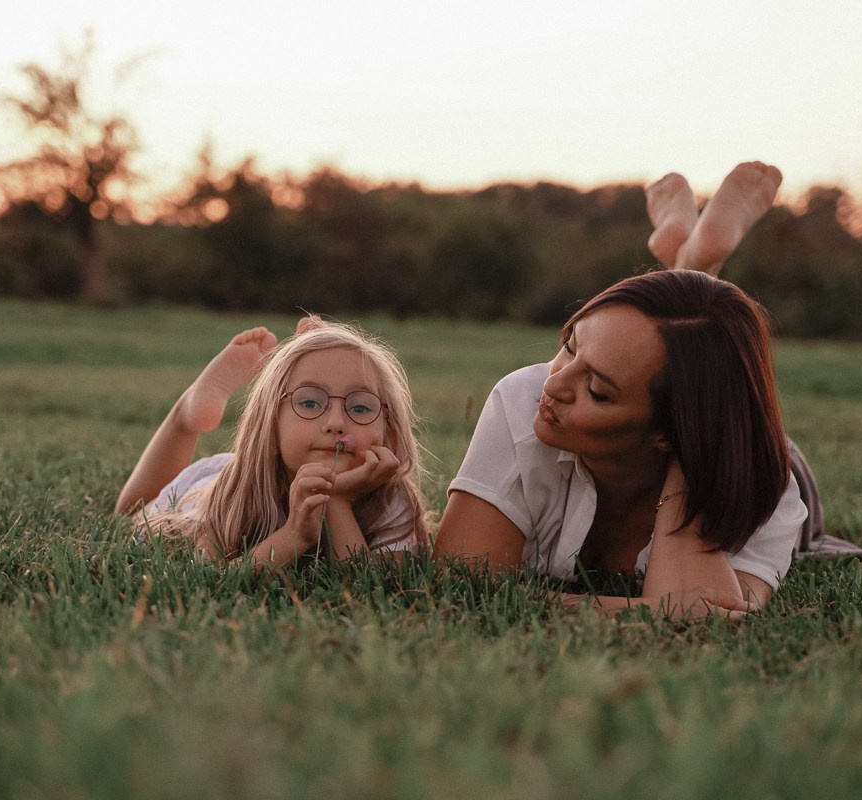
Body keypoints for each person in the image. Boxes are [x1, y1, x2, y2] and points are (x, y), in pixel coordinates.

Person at [434, 162, 815, 619]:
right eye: (569, 348)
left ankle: (694, 269)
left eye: (597, 390)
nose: (553, 385)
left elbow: (723, 619)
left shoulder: (765, 492)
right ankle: (692, 271)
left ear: (667, 434)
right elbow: (461, 585)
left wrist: (687, 472)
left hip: (747, 448)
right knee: (676, 351)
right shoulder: (524, 399)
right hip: (690, 418)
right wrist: (654, 612)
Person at [116, 317, 430, 568]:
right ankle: (186, 416)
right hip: (201, 489)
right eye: (309, 403)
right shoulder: (235, 488)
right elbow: (207, 575)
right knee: (131, 512)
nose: (336, 423)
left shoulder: (392, 500)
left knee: (326, 368)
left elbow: (370, 589)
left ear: (388, 434)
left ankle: (310, 352)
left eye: (360, 407)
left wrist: (337, 500)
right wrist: (291, 536)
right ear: (270, 427)